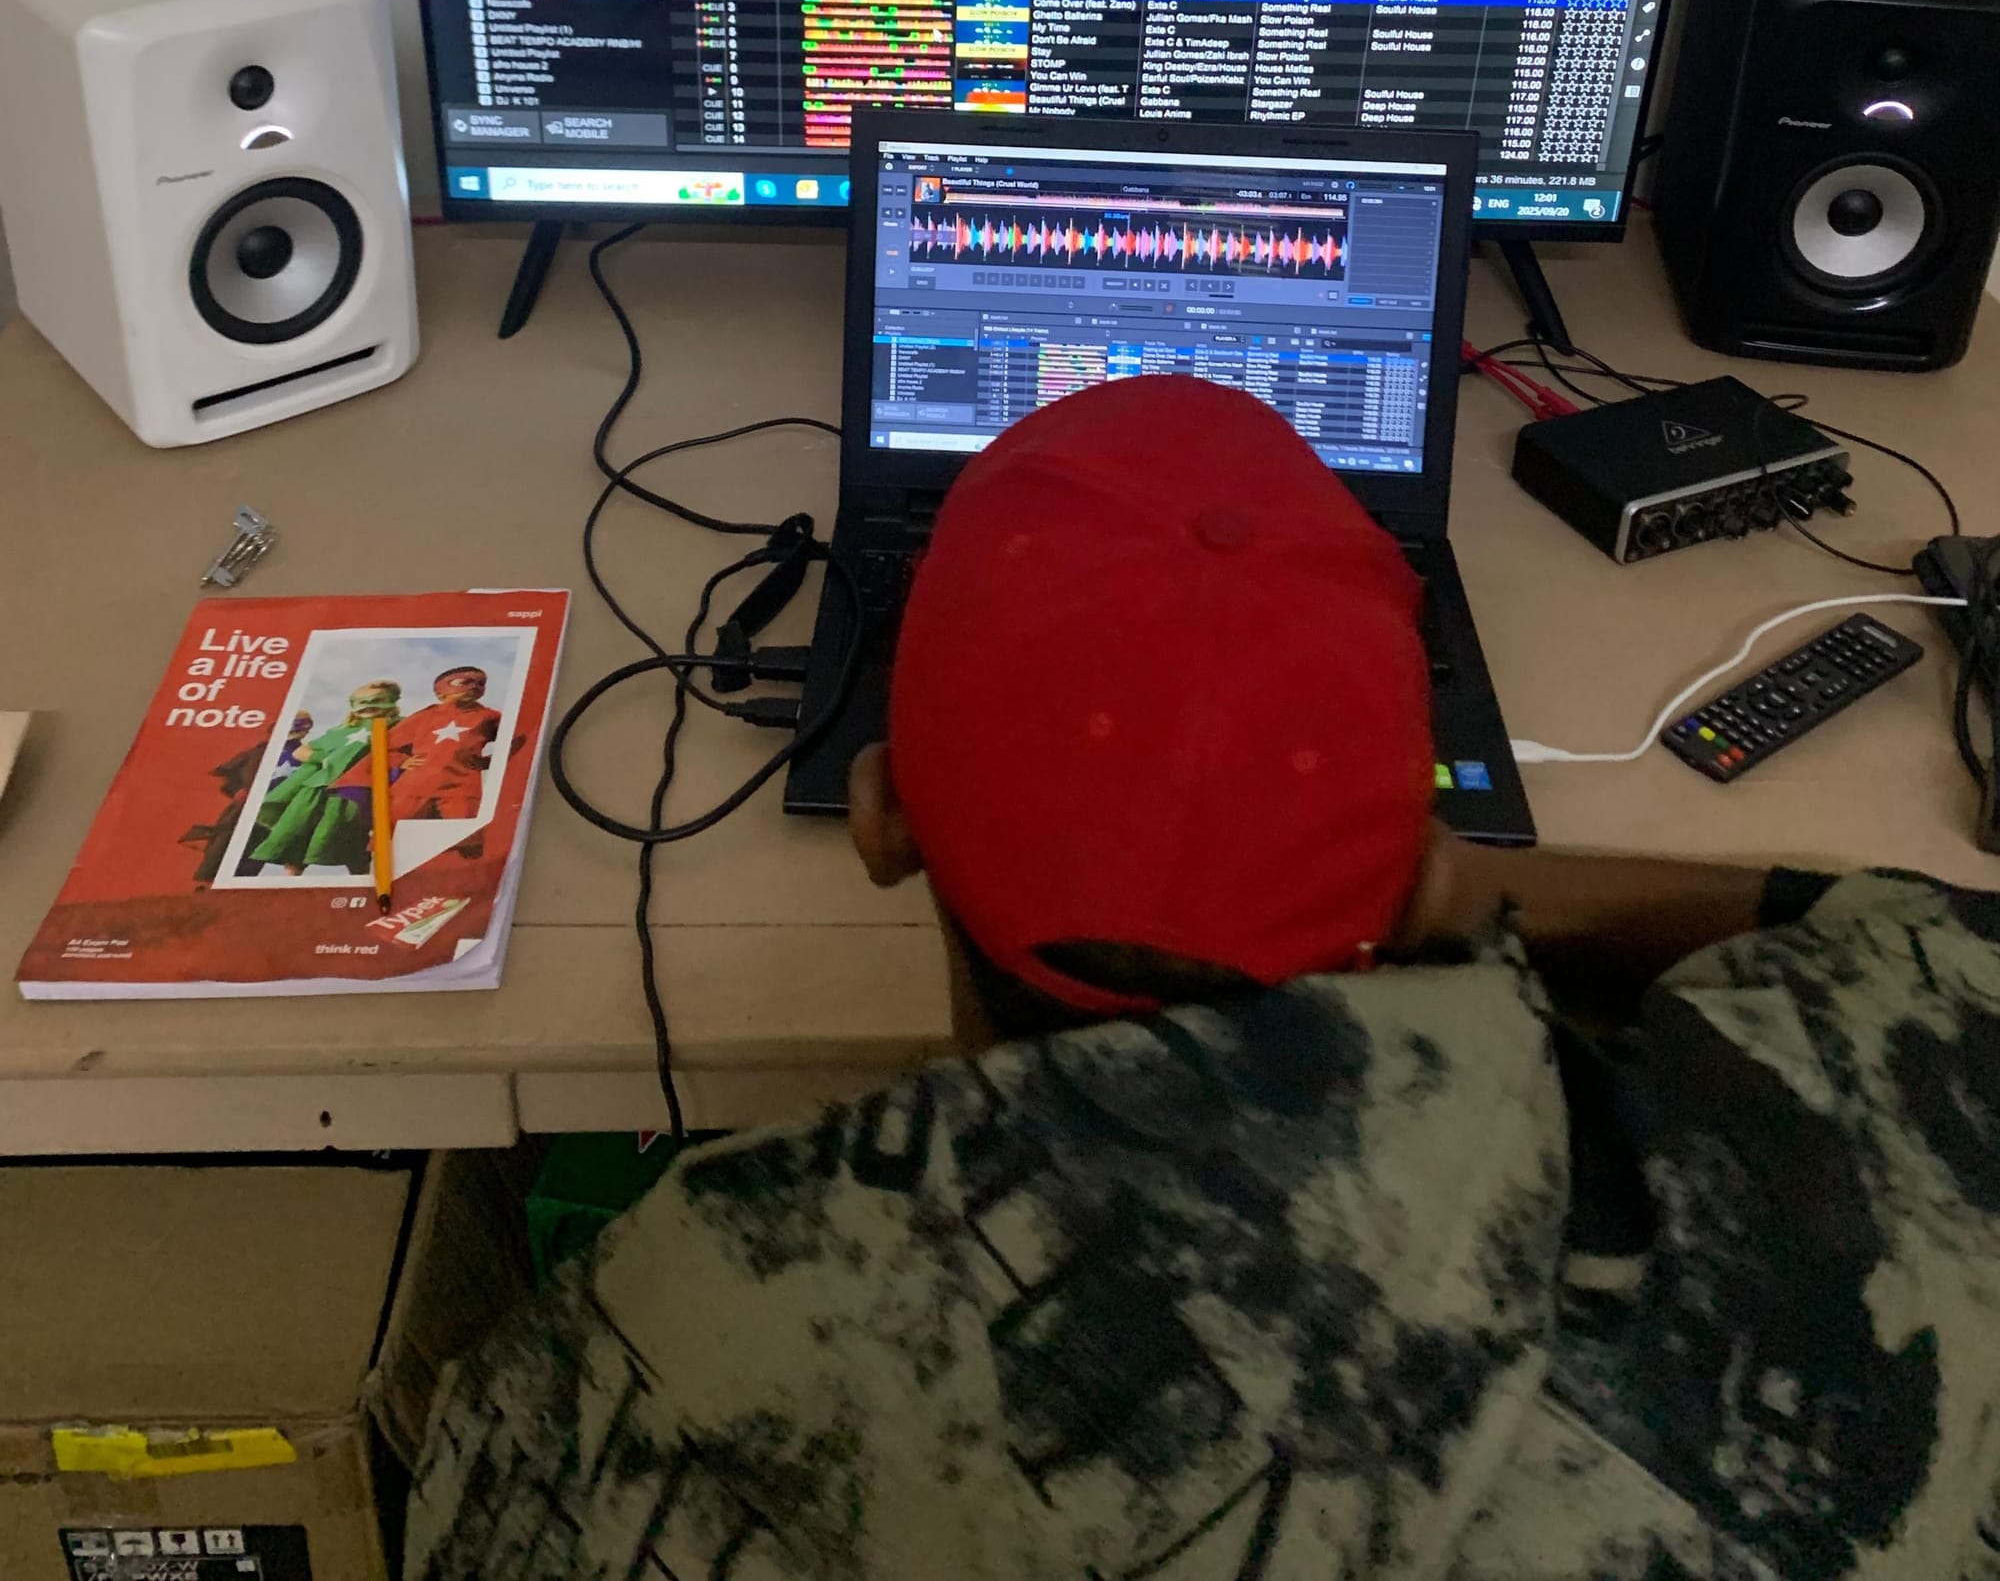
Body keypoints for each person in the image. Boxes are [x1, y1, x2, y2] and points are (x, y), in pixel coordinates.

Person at [406, 377, 2000, 1579]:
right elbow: (1933, 928)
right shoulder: (1874, 1169)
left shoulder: (650, 1364)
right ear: (1426, 856)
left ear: (883, 820)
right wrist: (1460, 883)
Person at [247, 680, 402, 876]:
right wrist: (326, 759)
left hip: (356, 790)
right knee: (298, 832)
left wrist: (403, 762)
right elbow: (301, 752)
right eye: (362, 702)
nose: (369, 706)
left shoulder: (401, 725)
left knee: (352, 838)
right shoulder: (340, 731)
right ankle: (291, 880)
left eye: (376, 700)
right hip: (317, 788)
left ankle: (361, 881)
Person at [388, 665, 500, 822]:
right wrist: (401, 761)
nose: (474, 686)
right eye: (464, 682)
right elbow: (385, 745)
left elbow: (520, 740)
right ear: (440, 692)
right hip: (414, 787)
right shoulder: (425, 716)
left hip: (461, 789)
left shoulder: (488, 716)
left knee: (463, 833)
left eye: (481, 683)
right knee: (393, 830)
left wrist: (490, 761)